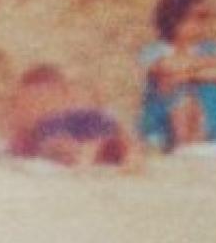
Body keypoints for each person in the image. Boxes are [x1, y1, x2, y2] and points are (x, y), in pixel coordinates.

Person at [138, 0, 216, 150]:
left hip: (209, 117)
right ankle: (184, 145)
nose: (203, 23)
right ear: (175, 19)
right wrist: (208, 65)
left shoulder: (214, 47)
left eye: (205, 17)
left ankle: (197, 143)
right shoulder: (154, 49)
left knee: (212, 88)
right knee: (176, 90)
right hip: (165, 122)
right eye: (198, 17)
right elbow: (167, 67)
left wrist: (187, 76)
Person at [7, 63, 143, 170]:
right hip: (92, 142)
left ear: (64, 96)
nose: (39, 108)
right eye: (31, 104)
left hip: (92, 141)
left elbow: (116, 133)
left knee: (62, 145)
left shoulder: (77, 117)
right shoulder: (36, 129)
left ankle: (100, 154)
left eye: (44, 101)